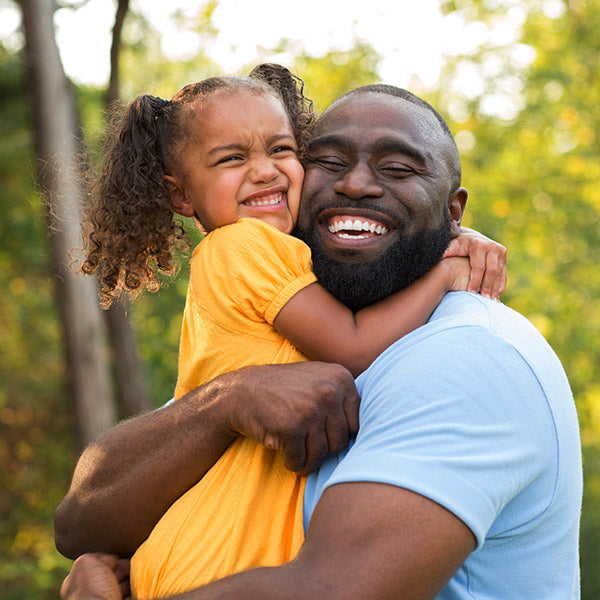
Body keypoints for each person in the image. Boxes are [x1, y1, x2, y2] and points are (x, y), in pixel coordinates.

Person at [57, 83, 581, 599]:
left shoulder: (469, 356)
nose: (354, 185)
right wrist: (226, 401)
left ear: (453, 212)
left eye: (397, 169)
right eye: (327, 162)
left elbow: (331, 590)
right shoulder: (274, 338)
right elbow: (81, 525)